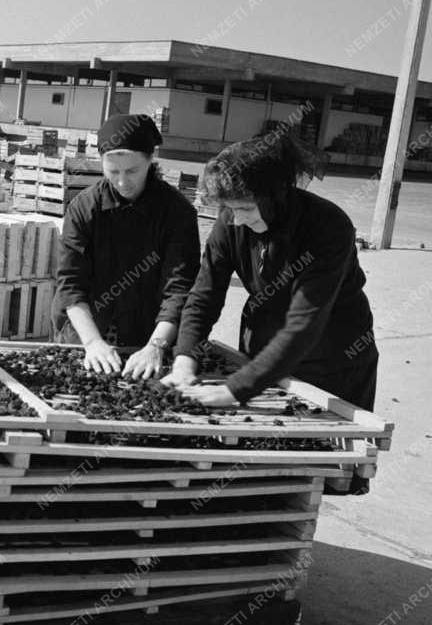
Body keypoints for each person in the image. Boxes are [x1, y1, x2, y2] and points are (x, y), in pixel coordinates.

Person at [162, 131, 378, 414]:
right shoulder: (231, 222)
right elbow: (205, 295)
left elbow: (305, 322)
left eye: (246, 208)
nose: (238, 219)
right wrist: (184, 360)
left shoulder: (328, 226)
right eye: (230, 209)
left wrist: (235, 388)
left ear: (273, 195)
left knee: (322, 450)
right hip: (263, 349)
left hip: (332, 357)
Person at [53, 113, 201, 378]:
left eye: (132, 171)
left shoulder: (178, 213)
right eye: (113, 172)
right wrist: (92, 342)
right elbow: (70, 284)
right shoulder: (84, 208)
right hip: (85, 332)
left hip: (147, 337)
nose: (122, 182)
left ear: (150, 160)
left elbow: (179, 289)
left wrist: (155, 346)